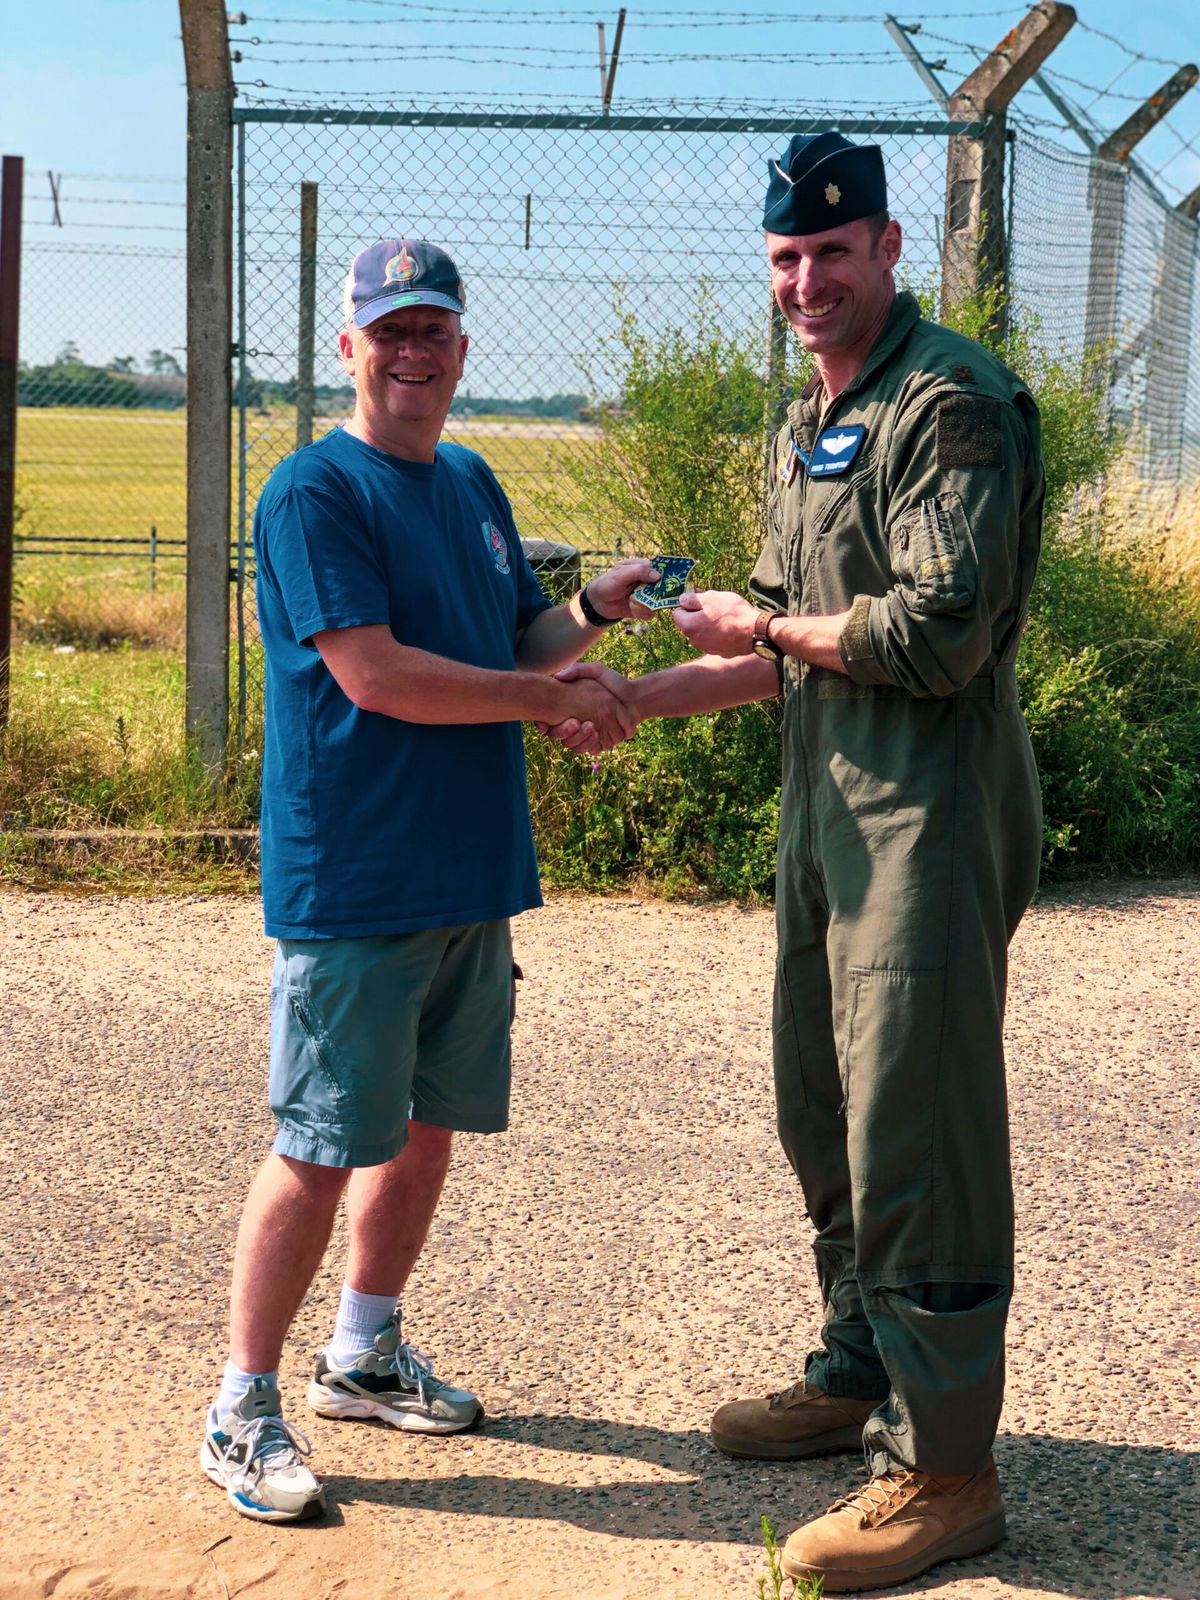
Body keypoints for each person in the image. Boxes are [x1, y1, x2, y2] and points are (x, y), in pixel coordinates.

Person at [551, 133, 1044, 1592]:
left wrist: (766, 632)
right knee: (819, 1099)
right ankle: (859, 1367)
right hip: (827, 813)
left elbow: (937, 635)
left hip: (929, 816)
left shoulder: (947, 403)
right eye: (784, 259)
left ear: (891, 249)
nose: (807, 282)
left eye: (833, 254)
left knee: (919, 1123)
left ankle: (944, 1468)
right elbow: (781, 634)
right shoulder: (808, 423)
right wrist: (638, 697)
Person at [200, 237, 656, 1524]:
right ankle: (242, 1405)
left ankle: (365, 1349)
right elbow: (377, 674)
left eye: (433, 331)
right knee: (319, 1143)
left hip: (469, 871)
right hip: (357, 876)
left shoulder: (468, 480)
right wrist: (546, 697)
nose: (412, 353)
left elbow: (516, 639)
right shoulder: (311, 494)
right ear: (349, 347)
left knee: (424, 1123)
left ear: (462, 348)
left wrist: (596, 615)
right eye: (387, 330)